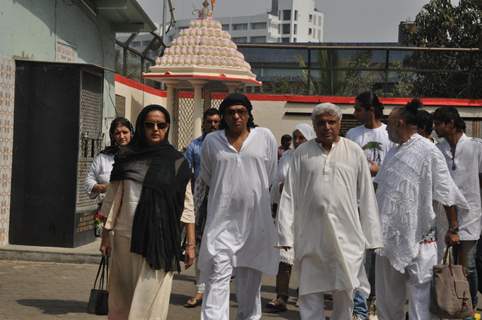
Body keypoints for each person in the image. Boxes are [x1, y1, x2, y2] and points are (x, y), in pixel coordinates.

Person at [277, 103, 383, 320]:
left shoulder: (353, 151)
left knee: (345, 291)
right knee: (310, 292)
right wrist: (285, 235)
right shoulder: (302, 153)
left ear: (339, 124)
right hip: (310, 235)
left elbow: (366, 195)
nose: (326, 127)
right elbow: (289, 195)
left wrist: (372, 235)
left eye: (331, 122)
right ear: (314, 126)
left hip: (347, 237)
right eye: (321, 123)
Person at [99, 105, 196, 320]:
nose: (155, 129)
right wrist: (106, 235)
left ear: (167, 127)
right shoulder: (127, 157)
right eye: (149, 124)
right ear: (141, 126)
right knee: (122, 301)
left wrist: (190, 244)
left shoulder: (177, 162)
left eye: (161, 125)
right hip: (124, 237)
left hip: (159, 240)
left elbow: (187, 205)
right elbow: (112, 197)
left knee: (150, 302)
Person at [374, 102, 466, 320]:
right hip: (388, 238)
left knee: (421, 300)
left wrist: (454, 228)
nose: (386, 129)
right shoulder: (392, 153)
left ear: (400, 123)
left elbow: (446, 191)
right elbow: (381, 190)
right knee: (387, 299)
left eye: (389, 124)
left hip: (420, 239)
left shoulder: (428, 151)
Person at [198, 93, 278, 320]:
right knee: (216, 279)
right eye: (230, 112)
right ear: (223, 116)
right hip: (221, 224)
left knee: (250, 286)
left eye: (241, 111)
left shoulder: (265, 137)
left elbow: (269, 175)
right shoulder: (212, 141)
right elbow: (206, 177)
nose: (236, 116)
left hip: (255, 225)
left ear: (248, 114)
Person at [345, 91, 394, 320]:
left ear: (370, 110)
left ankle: (374, 302)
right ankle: (359, 306)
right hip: (356, 203)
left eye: (358, 109)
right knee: (359, 256)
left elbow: (395, 167)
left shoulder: (388, 134)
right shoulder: (353, 134)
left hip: (383, 204)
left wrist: (377, 170)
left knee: (377, 256)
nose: (355, 113)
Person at [433, 106, 482, 309]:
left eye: (438, 123)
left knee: (467, 266)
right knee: (445, 264)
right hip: (444, 216)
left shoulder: (476, 147)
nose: (435, 127)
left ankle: (469, 307)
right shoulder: (438, 149)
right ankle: (449, 305)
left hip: (471, 213)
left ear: (451, 124)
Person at [266, 123, 316, 313]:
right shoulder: (287, 157)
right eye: (295, 137)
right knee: (284, 257)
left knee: (307, 257)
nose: (297, 141)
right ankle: (281, 296)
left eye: (301, 137)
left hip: (308, 215)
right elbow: (276, 182)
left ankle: (306, 295)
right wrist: (281, 189)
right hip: (287, 213)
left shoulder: (315, 158)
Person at [183, 108, 221, 308]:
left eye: (216, 122)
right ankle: (199, 290)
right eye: (210, 122)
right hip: (200, 202)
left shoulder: (227, 145)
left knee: (219, 249)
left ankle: (215, 292)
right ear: (204, 124)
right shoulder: (194, 146)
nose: (213, 125)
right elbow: (187, 175)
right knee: (198, 246)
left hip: (223, 203)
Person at [85, 117, 133, 202]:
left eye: (125, 132)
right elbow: (88, 181)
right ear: (113, 136)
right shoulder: (103, 157)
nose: (121, 136)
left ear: (131, 133)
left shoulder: (140, 156)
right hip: (107, 209)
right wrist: (102, 187)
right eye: (117, 133)